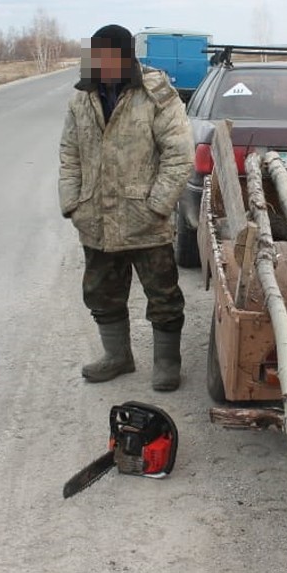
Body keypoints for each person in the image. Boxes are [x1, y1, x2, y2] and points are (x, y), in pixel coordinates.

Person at [58, 24, 194, 391]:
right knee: (101, 292)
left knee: (163, 295)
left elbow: (180, 156)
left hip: (146, 219)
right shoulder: (82, 97)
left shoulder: (157, 95)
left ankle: (167, 363)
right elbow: (70, 154)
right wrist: (72, 202)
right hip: (96, 219)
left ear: (126, 58)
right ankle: (117, 356)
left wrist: (158, 205)